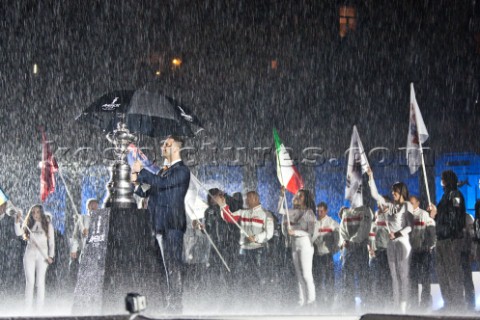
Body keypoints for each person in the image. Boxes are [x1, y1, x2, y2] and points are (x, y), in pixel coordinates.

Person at [132, 135, 190, 314]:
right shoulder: (162, 172)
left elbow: (163, 184)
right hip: (157, 225)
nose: (163, 146)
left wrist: (142, 172)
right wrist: (136, 182)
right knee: (162, 266)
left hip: (172, 224)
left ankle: (175, 305)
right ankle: (167, 301)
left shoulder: (182, 171)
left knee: (172, 265)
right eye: (163, 143)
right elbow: (146, 192)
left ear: (176, 148)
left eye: (167, 144)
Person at [216, 191, 274, 307]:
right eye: (246, 198)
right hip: (243, 250)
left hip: (258, 250)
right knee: (241, 276)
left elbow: (269, 233)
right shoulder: (243, 213)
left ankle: (258, 303)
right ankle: (243, 302)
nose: (246, 201)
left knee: (257, 276)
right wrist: (223, 205)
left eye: (248, 198)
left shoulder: (265, 214)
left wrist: (257, 237)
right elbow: (229, 218)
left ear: (255, 198)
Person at [368, 169, 413, 314]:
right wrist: (371, 177)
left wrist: (398, 233)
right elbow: (375, 195)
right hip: (391, 244)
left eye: (395, 191)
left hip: (403, 242)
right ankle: (396, 305)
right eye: (392, 191)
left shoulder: (407, 205)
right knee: (394, 276)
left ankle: (404, 306)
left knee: (403, 275)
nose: (393, 193)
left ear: (401, 192)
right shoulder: (389, 206)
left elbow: (410, 226)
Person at [428, 170, 466, 312]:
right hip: (442, 239)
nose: (441, 181)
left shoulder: (455, 195)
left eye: (442, 178)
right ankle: (449, 303)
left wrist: (438, 214)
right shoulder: (445, 196)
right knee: (442, 273)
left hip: (451, 240)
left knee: (453, 273)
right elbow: (443, 217)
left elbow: (454, 216)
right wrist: (435, 214)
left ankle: (457, 305)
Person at [279, 188, 316, 308]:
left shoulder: (309, 212)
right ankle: (301, 301)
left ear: (306, 199)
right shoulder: (291, 212)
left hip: (305, 244)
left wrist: (295, 232)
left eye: (301, 196)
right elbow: (280, 210)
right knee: (299, 275)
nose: (297, 198)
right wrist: (282, 195)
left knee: (306, 274)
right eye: (297, 195)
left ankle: (311, 301)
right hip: (294, 244)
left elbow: (310, 232)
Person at [14, 204, 55, 311]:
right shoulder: (28, 223)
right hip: (29, 255)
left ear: (41, 212)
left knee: (40, 282)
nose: (35, 214)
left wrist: (51, 256)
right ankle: (27, 309)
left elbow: (51, 243)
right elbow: (18, 232)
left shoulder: (48, 225)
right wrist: (17, 221)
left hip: (43, 256)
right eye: (33, 212)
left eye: (37, 212)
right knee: (30, 282)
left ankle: (39, 309)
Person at [338, 199, 373, 309]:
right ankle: (348, 304)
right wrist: (344, 240)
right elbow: (342, 230)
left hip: (360, 248)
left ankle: (366, 304)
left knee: (363, 277)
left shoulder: (366, 210)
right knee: (347, 277)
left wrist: (352, 241)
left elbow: (364, 229)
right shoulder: (346, 212)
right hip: (348, 249)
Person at [409, 195, 436, 310]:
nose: (410, 205)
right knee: (413, 278)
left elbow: (432, 233)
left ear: (418, 203)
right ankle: (414, 302)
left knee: (425, 277)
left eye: (412, 203)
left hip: (423, 251)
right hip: (412, 252)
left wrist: (429, 246)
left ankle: (425, 301)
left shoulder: (424, 215)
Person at [312, 202, 339, 308]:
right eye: (318, 211)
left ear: (326, 211)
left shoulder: (331, 222)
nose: (319, 213)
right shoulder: (315, 222)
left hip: (327, 255)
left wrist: (335, 246)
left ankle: (330, 302)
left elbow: (338, 232)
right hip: (317, 255)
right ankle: (319, 302)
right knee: (317, 279)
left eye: (321, 211)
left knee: (329, 279)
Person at [367, 196, 393, 310]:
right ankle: (378, 305)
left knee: (388, 280)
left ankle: (390, 305)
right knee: (377, 280)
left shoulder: (391, 218)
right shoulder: (376, 219)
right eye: (377, 203)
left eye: (380, 203)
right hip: (376, 253)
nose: (378, 205)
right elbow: (371, 236)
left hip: (387, 252)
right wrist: (370, 248)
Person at [69, 198, 98, 285]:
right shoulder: (83, 218)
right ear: (87, 207)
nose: (94, 207)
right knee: (83, 275)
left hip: (97, 252)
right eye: (91, 205)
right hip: (85, 251)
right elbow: (75, 236)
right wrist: (74, 249)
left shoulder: (101, 220)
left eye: (96, 205)